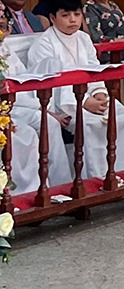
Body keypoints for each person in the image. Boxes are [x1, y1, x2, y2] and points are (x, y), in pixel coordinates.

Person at [26, 0, 124, 178]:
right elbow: (53, 82)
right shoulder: (44, 44)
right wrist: (84, 102)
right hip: (62, 103)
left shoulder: (83, 38)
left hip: (90, 95)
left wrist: (100, 92)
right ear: (52, 18)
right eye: (65, 15)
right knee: (90, 124)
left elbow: (94, 69)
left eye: (77, 14)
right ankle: (95, 179)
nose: (72, 19)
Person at [3, 29, 75, 194]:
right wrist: (42, 108)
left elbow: (22, 79)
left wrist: (44, 110)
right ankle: (26, 192)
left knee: (49, 123)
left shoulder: (4, 47)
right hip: (8, 107)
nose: (3, 23)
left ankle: (60, 187)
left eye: (3, 18)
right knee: (26, 134)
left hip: (19, 103)